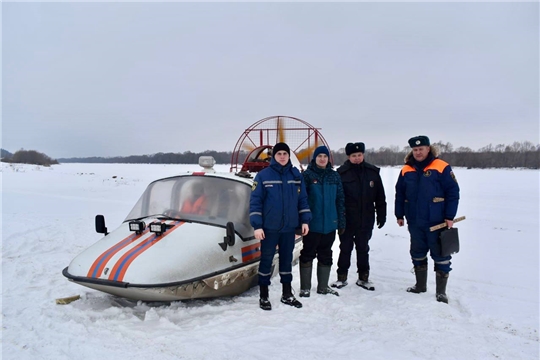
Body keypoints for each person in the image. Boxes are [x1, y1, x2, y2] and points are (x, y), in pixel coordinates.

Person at [395, 135, 460, 304]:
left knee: (441, 255)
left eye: (421, 149)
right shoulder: (406, 169)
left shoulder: (441, 167)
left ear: (428, 148)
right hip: (415, 221)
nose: (418, 152)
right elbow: (400, 193)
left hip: (437, 221)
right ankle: (420, 286)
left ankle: (441, 292)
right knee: (417, 253)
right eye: (415, 150)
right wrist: (399, 214)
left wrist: (449, 216)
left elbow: (453, 193)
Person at [249, 142, 312, 310]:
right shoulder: (263, 176)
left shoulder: (296, 175)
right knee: (266, 261)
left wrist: (305, 220)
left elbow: (303, 200)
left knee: (286, 260)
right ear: (274, 157)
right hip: (269, 228)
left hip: (288, 227)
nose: (282, 156)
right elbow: (255, 202)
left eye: (285, 153)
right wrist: (257, 226)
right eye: (279, 154)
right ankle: (264, 295)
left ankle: (287, 294)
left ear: (288, 156)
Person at [331, 142, 387, 291]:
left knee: (363, 248)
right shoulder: (341, 173)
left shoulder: (372, 172)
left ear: (363, 155)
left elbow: (380, 197)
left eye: (359, 155)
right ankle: (341, 277)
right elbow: (336, 198)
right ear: (349, 157)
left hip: (366, 219)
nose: (357, 158)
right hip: (347, 219)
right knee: (345, 248)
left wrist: (382, 215)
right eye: (354, 156)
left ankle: (363, 277)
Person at [299, 146, 345, 297]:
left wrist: (341, 221)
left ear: (328, 159)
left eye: (325, 156)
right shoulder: (307, 175)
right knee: (307, 254)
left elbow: (340, 200)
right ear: (315, 158)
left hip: (330, 225)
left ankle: (323, 287)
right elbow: (302, 200)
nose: (322, 159)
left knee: (326, 255)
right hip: (313, 224)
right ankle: (305, 287)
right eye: (319, 156)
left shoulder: (334, 176)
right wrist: (302, 220)